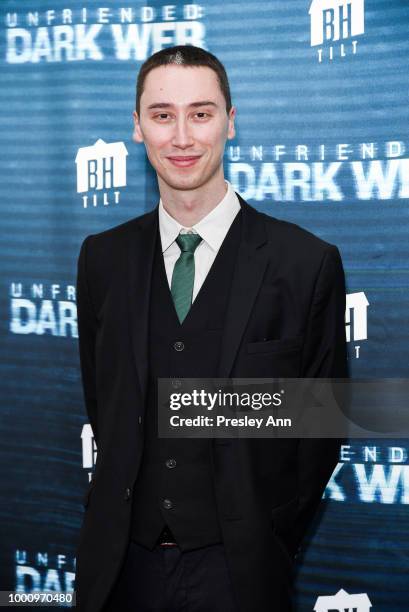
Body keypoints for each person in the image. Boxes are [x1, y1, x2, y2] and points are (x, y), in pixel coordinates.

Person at [74, 45, 348, 612]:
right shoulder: (101, 259)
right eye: (162, 114)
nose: (181, 137)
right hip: (121, 569)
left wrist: (263, 532)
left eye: (200, 114)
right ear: (136, 127)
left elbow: (318, 434)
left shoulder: (304, 263)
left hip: (240, 574)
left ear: (230, 122)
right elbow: (105, 402)